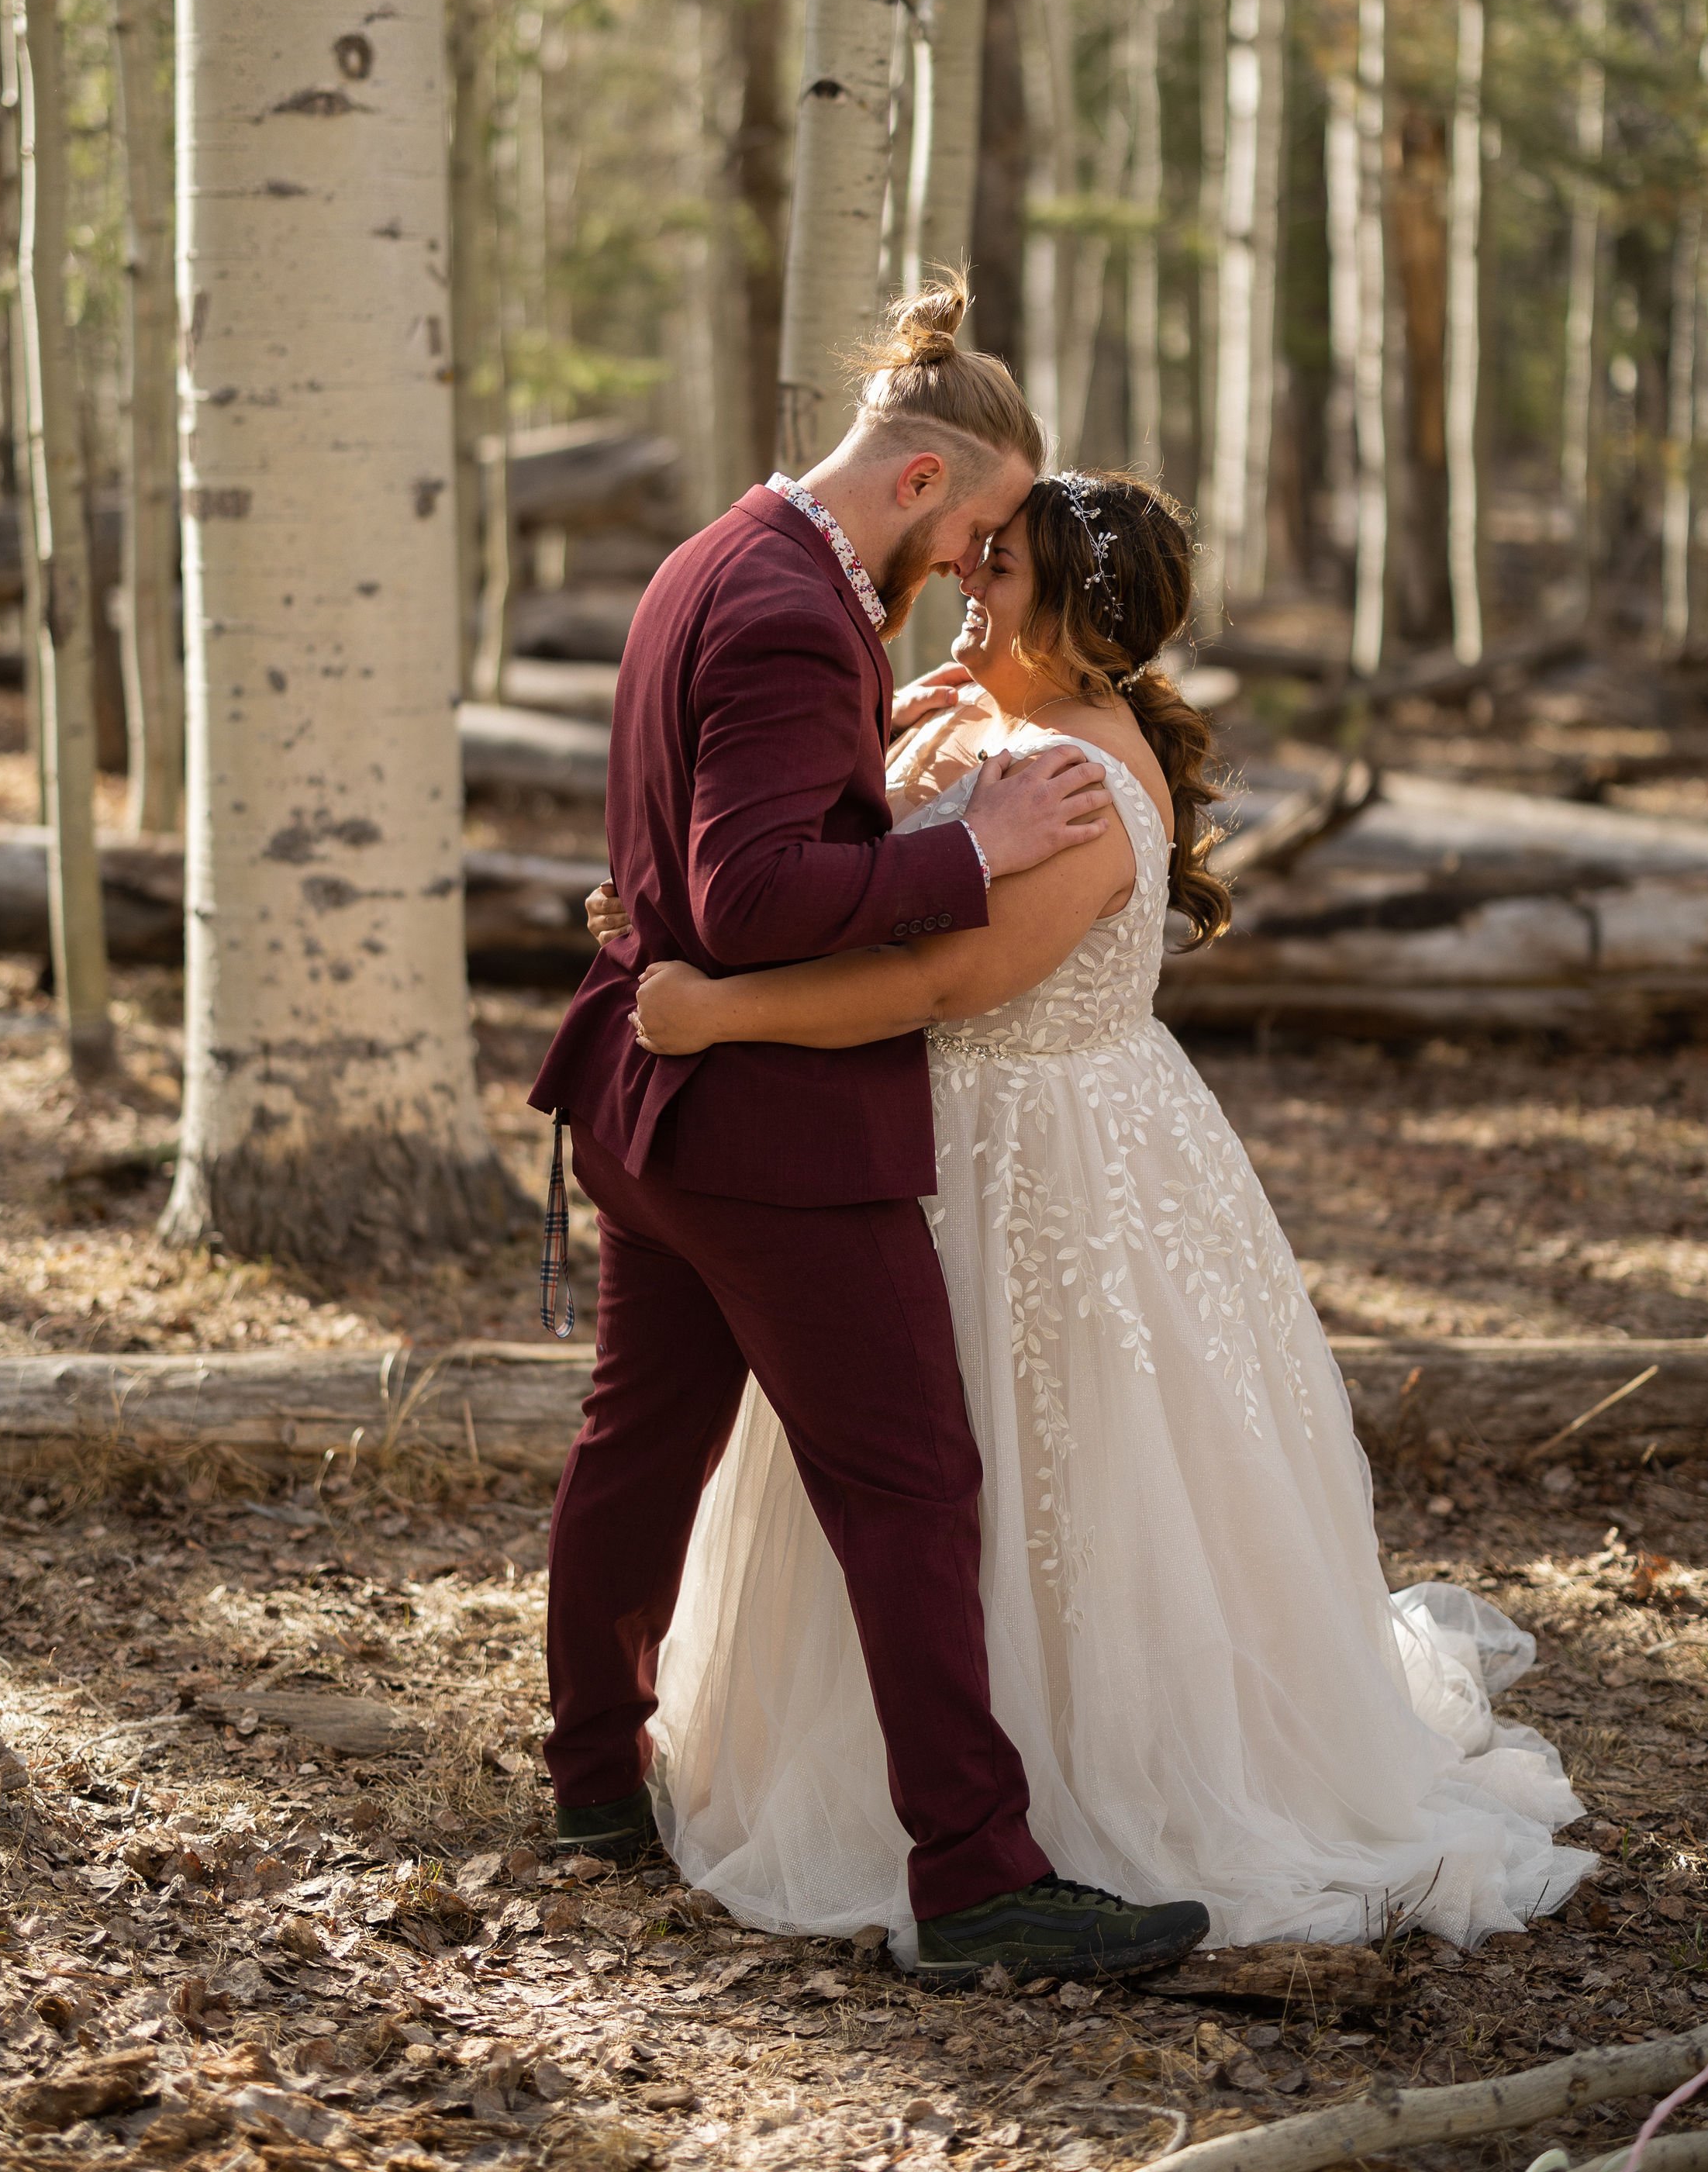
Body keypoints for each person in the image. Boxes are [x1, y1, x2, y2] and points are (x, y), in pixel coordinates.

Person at [619, 469, 1599, 1962]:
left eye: (997, 570)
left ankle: (1078, 1805)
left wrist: (712, 1015)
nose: (965, 581)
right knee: (908, 1466)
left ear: (1073, 618)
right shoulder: (985, 718)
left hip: (1045, 1150)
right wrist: (915, 723)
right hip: (933, 1137)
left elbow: (945, 984)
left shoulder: (1080, 780)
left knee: (1049, 1468)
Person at [528, 281, 1213, 1987]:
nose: (971, 571)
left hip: (652, 1106)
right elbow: (757, 899)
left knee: (638, 1446)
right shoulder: (787, 615)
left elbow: (703, 853)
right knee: (912, 1483)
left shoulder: (716, 556)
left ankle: (596, 1785)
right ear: (924, 487)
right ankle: (981, 1880)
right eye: (978, 530)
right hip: (769, 1137)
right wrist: (970, 845)